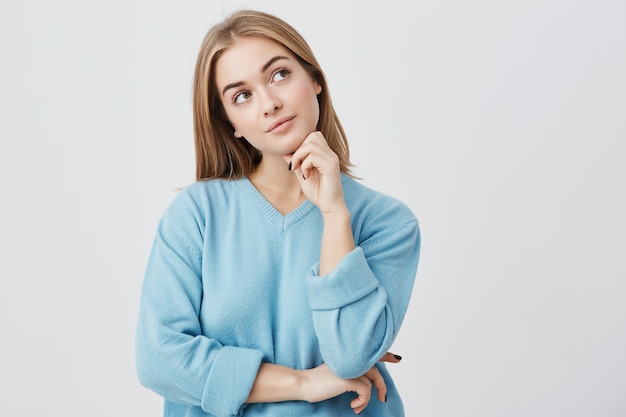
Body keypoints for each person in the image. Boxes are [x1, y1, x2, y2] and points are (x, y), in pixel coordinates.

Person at [135, 9, 420, 417]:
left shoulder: (388, 223)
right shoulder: (196, 215)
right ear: (230, 122)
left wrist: (334, 214)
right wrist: (304, 383)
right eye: (242, 96)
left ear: (315, 79)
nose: (269, 104)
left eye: (279, 74)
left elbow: (352, 355)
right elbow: (159, 359)